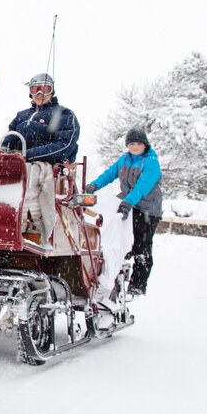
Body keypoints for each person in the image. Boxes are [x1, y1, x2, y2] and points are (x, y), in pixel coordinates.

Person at [1, 73, 80, 245]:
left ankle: (28, 221)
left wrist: (29, 155)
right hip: (18, 162)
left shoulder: (64, 115)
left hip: (45, 164)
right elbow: (8, 138)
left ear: (52, 91)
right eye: (35, 89)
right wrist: (4, 151)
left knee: (33, 171)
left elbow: (65, 146)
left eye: (45, 89)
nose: (39, 94)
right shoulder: (21, 116)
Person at [85, 127, 163, 296]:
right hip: (128, 205)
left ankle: (138, 285)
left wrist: (127, 202)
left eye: (138, 144)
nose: (135, 147)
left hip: (147, 208)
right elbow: (109, 174)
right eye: (132, 143)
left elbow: (142, 188)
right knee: (121, 242)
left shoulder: (151, 162)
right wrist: (93, 186)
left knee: (141, 247)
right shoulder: (124, 160)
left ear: (145, 145)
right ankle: (114, 277)